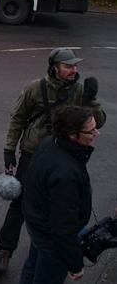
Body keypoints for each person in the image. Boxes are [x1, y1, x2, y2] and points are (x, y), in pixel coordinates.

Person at [0, 48, 106, 274]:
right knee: (21, 204)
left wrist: (91, 101)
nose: (74, 70)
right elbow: (18, 118)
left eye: (75, 66)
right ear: (54, 67)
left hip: (63, 156)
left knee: (56, 209)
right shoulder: (36, 88)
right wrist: (9, 149)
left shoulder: (79, 91)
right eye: (68, 66)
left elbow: (98, 122)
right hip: (33, 153)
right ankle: (4, 250)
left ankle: (41, 247)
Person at [20, 106, 98, 283]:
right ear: (72, 134)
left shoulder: (49, 143)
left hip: (38, 223)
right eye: (91, 130)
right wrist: (75, 264)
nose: (96, 133)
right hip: (52, 238)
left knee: (32, 267)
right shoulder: (65, 174)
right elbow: (63, 227)